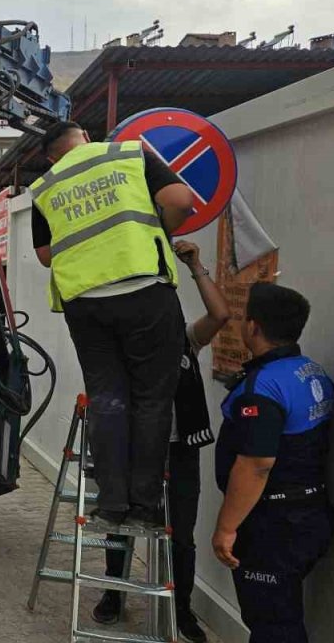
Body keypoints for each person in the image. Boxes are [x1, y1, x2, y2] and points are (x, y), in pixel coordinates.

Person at [30, 121, 196, 527]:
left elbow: (47, 255)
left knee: (107, 398)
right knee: (152, 400)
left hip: (85, 303)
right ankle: (143, 506)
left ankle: (111, 504)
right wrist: (156, 230)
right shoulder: (127, 154)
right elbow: (180, 199)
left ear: (52, 156)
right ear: (85, 137)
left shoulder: (45, 186)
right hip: (143, 289)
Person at [91, 240, 227, 643]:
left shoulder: (187, 341)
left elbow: (221, 314)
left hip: (179, 451)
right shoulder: (123, 353)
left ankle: (181, 609)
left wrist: (196, 265)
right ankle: (114, 595)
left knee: (181, 534)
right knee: (122, 524)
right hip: (134, 452)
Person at [211, 282, 334, 642]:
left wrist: (226, 528)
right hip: (309, 515)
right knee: (281, 617)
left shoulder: (264, 387)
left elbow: (257, 464)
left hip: (274, 527)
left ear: (253, 327)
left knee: (272, 625)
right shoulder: (311, 371)